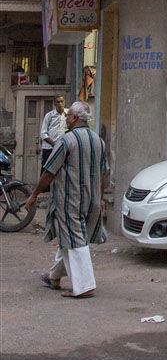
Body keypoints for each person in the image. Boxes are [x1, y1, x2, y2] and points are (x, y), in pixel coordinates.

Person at [25, 100, 108, 299]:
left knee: (76, 240)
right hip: (93, 200)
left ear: (75, 118)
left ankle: (85, 285)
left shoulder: (66, 140)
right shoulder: (99, 141)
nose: (67, 118)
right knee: (69, 237)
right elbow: (104, 173)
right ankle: (54, 277)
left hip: (69, 200)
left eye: (69, 115)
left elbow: (49, 172)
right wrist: (101, 197)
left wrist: (34, 194)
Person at [39, 95, 67, 170]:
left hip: (63, 147)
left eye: (61, 101)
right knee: (46, 169)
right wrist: (54, 144)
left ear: (64, 102)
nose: (60, 104)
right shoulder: (49, 115)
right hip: (49, 148)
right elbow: (43, 133)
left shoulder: (68, 114)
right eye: (58, 102)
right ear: (55, 103)